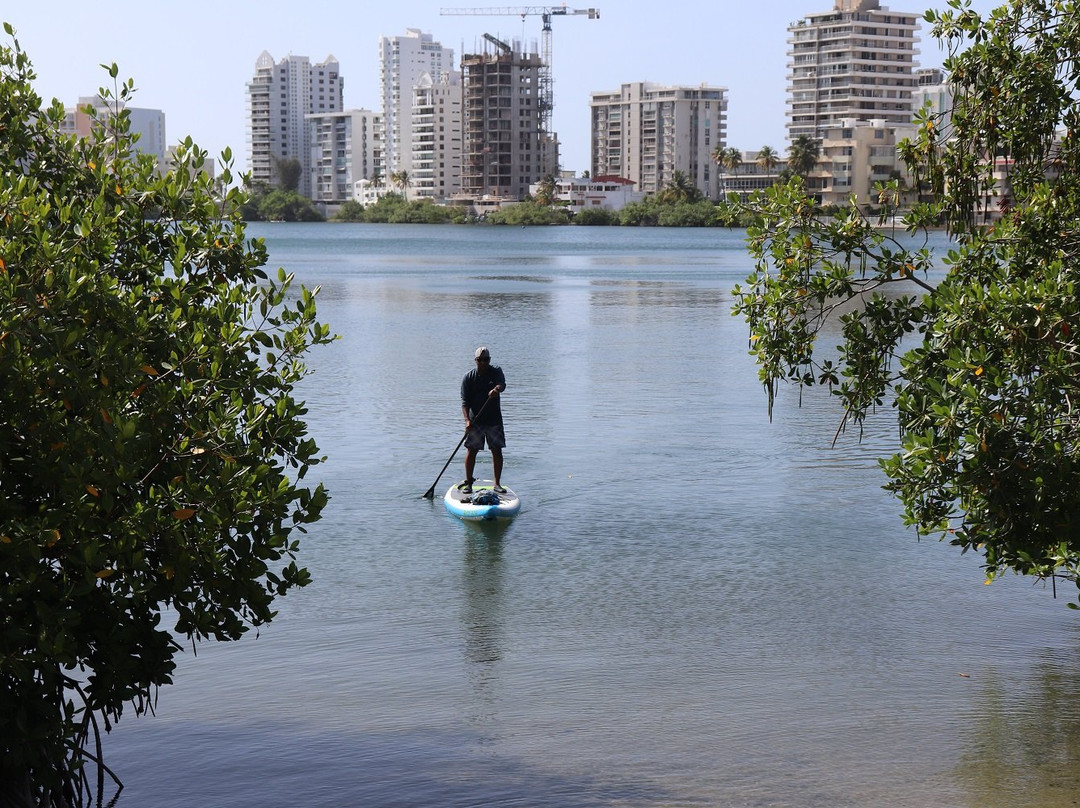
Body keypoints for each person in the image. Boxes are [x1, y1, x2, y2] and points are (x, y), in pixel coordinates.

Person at [460, 346, 506, 494]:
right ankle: (468, 483)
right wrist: (467, 420)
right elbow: (465, 403)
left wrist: (496, 389)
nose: (483, 363)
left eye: (486, 360)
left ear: (489, 360)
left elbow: (502, 384)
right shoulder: (469, 377)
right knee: (471, 450)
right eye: (480, 360)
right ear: (475, 360)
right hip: (476, 421)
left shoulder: (496, 371)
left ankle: (497, 484)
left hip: (494, 420)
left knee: (496, 450)